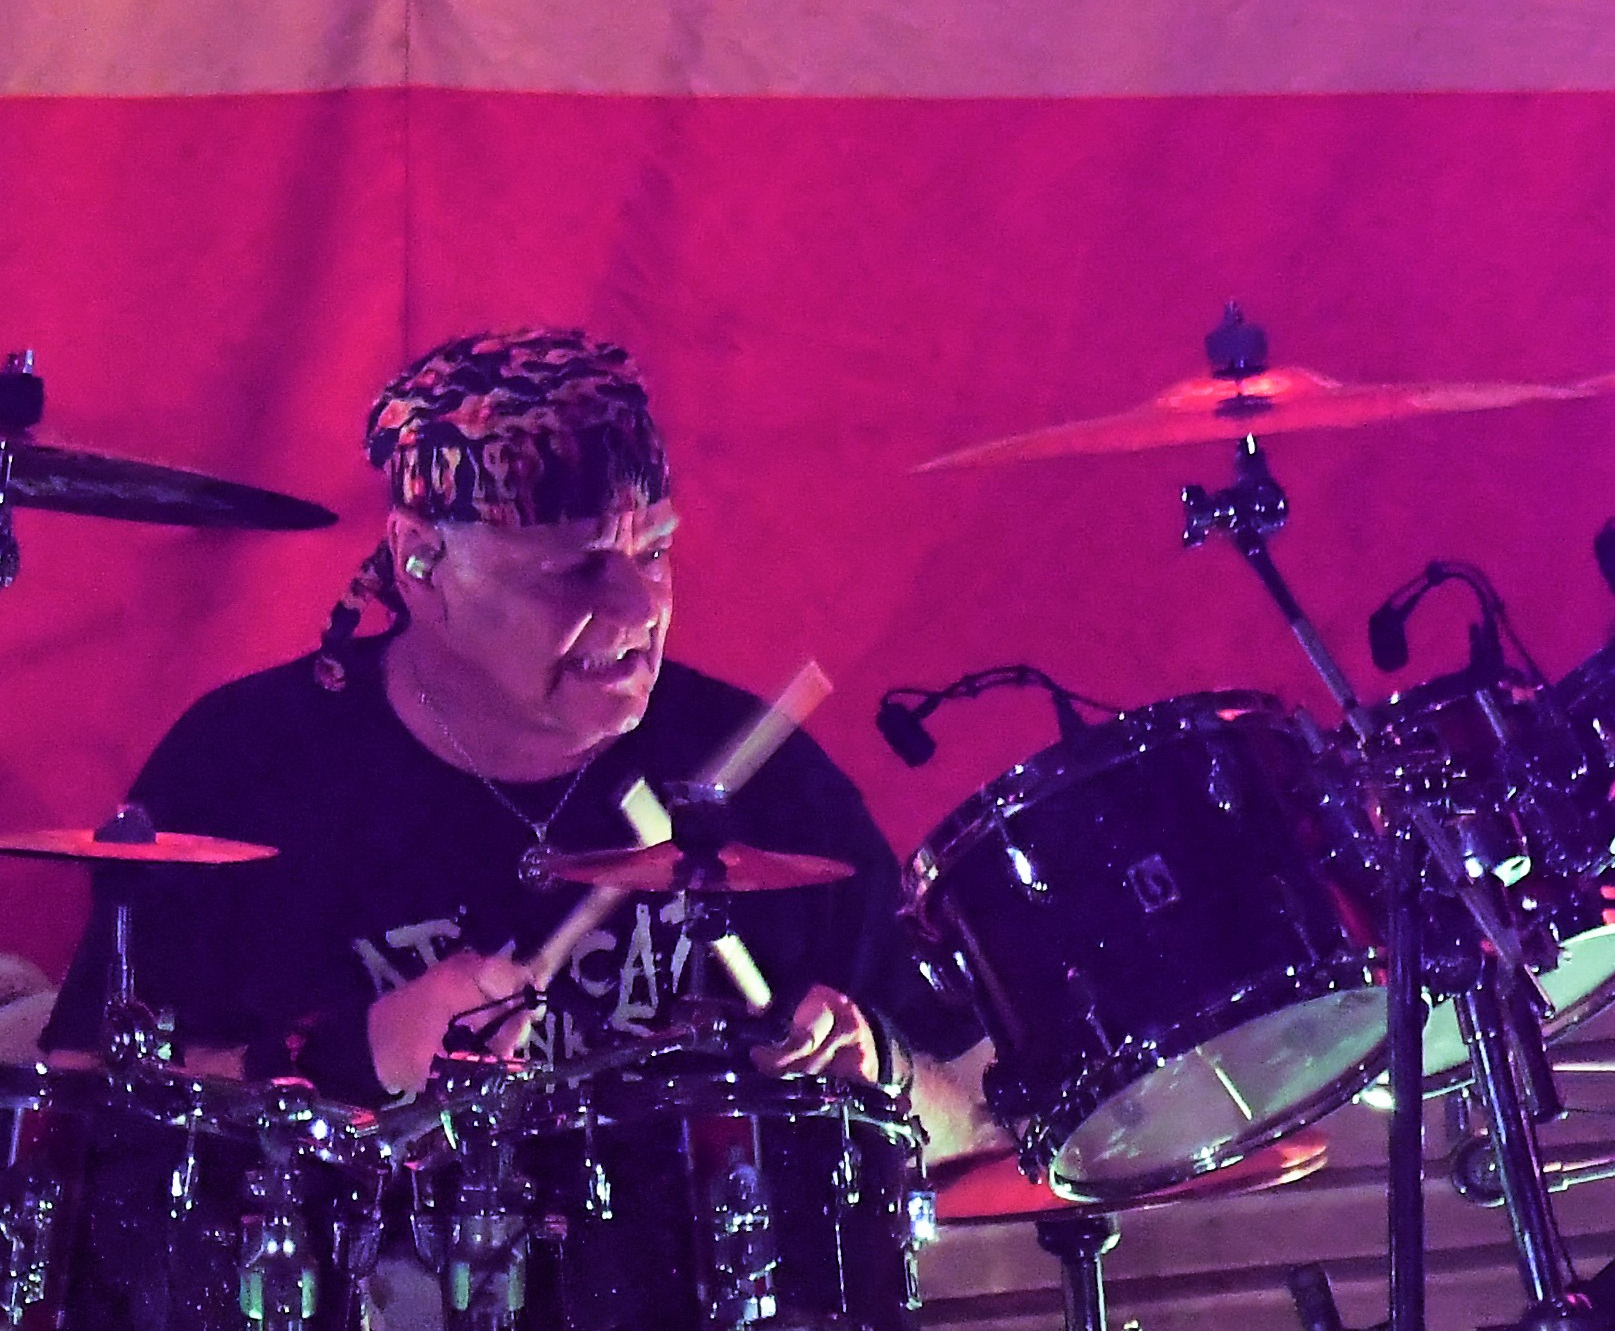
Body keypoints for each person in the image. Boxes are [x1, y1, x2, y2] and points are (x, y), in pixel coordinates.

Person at [74, 325, 978, 1130]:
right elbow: (86, 1109)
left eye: (655, 552)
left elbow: (977, 1112)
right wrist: (351, 1060)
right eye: (575, 571)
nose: (640, 609)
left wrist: (882, 1072)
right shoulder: (247, 764)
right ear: (419, 560)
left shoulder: (765, 780)